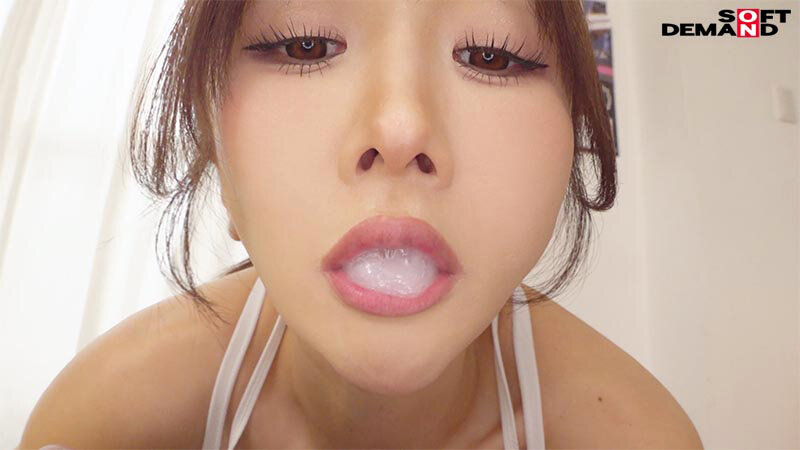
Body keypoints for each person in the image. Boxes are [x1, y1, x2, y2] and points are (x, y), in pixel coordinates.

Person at [18, 0, 703, 448]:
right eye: (306, 45)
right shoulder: (104, 421)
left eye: (491, 55)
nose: (400, 128)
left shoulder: (637, 435)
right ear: (213, 146)